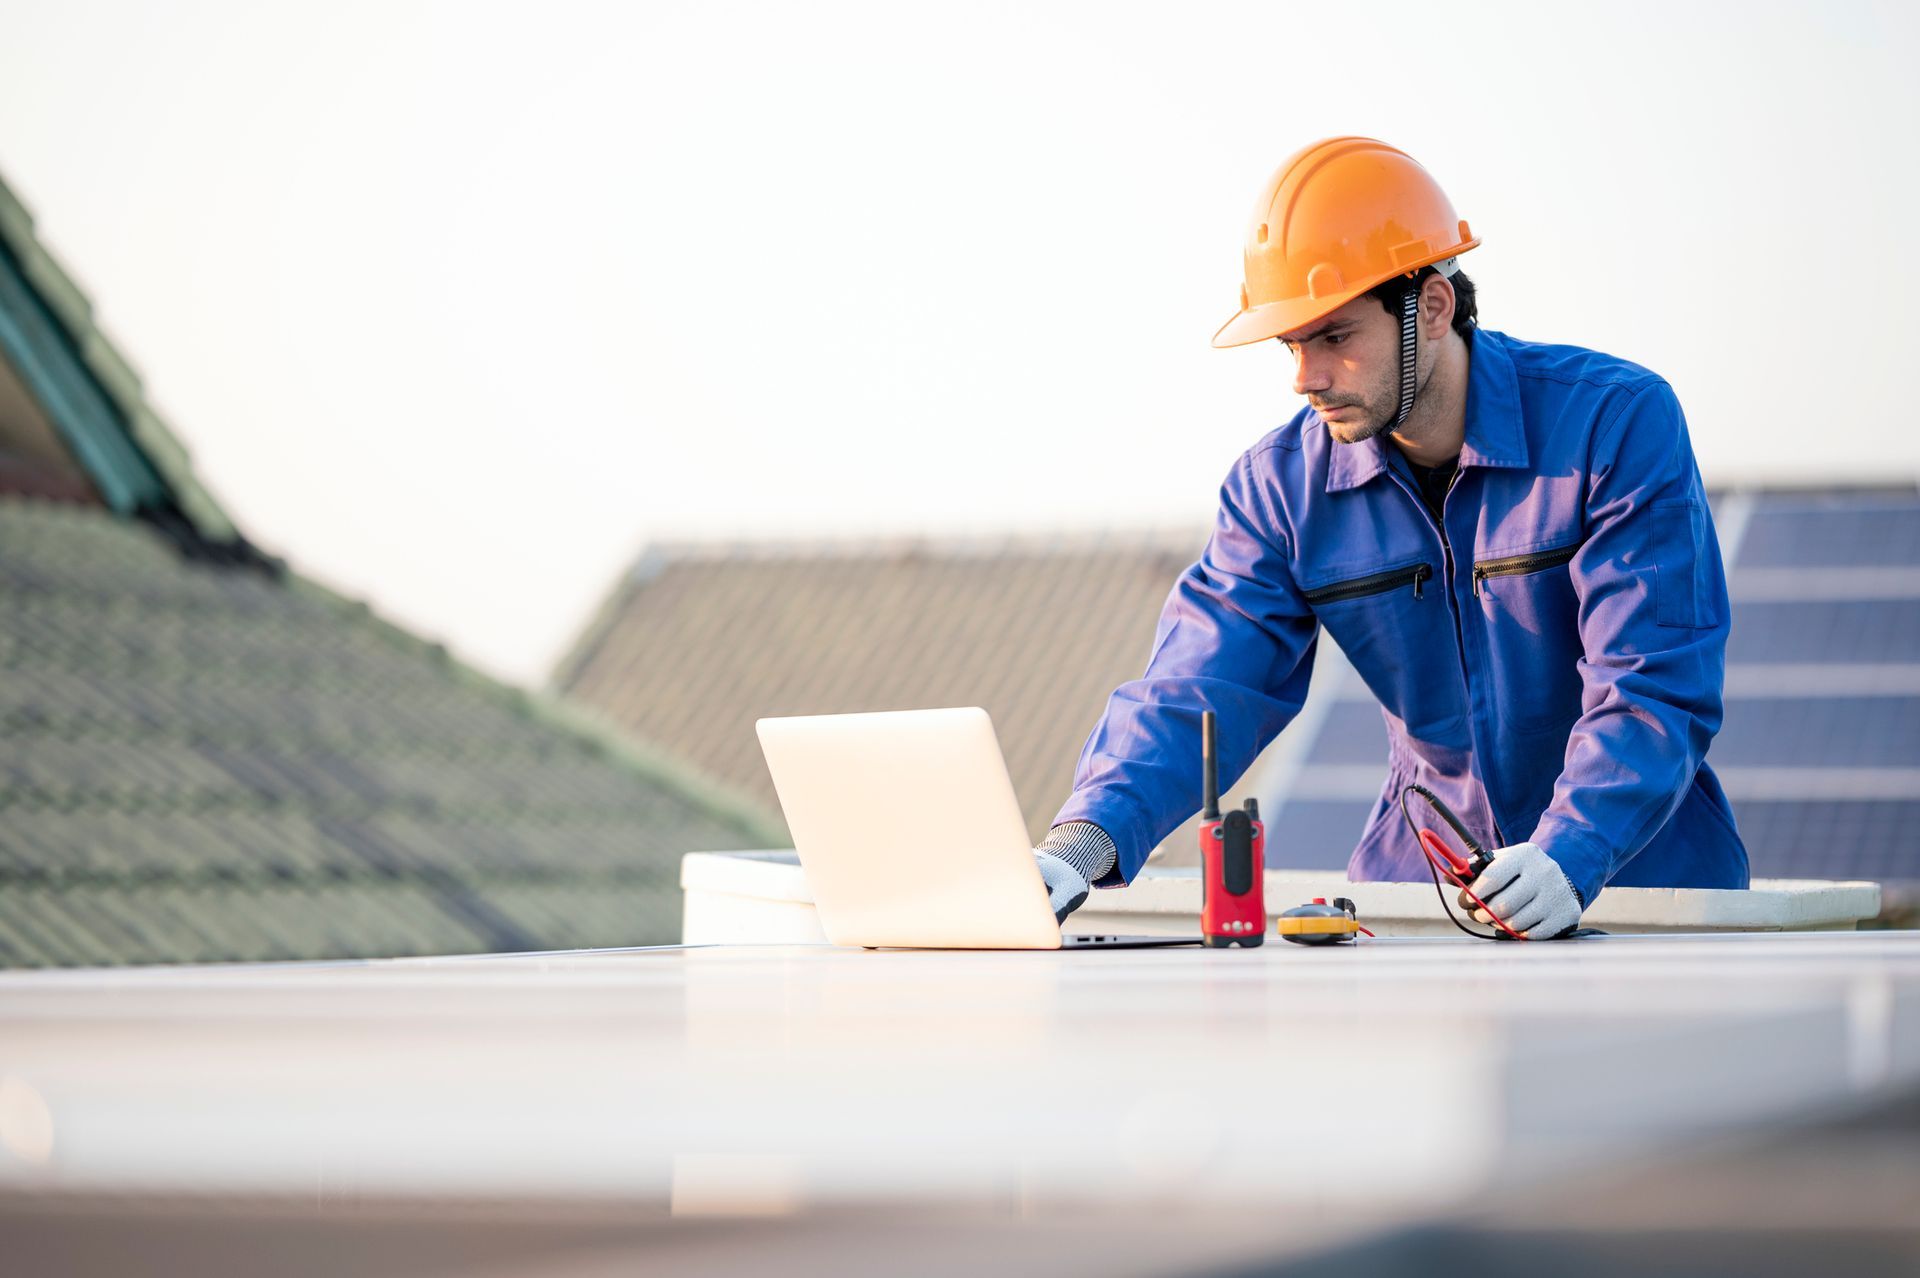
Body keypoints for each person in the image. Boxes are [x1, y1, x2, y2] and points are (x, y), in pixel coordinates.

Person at [1033, 136, 1748, 939]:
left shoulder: (1613, 424)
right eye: (1292, 344)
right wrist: (1077, 847)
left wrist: (1573, 851)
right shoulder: (1279, 490)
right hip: (1425, 904)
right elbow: (1197, 691)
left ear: (1433, 307)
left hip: (1649, 894)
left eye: (1334, 336)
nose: (1304, 376)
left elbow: (1652, 683)